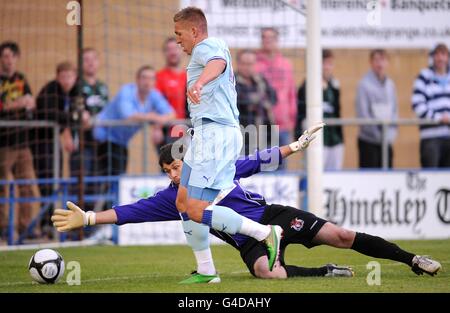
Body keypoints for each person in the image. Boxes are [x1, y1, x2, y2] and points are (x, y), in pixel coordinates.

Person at [51, 139, 442, 281]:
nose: (175, 173)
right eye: (169, 169)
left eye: (177, 166)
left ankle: (412, 259)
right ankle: (325, 272)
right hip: (246, 239)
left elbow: (258, 159)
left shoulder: (218, 171)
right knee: (267, 274)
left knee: (340, 236)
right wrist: (87, 217)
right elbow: (128, 212)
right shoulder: (173, 198)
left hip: (274, 217)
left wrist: (295, 147)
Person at [172, 6, 283, 283]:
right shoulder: (212, 45)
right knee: (183, 201)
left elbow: (217, 63)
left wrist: (198, 83)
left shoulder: (205, 48)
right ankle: (206, 271)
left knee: (197, 209)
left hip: (216, 134)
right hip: (206, 133)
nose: (177, 40)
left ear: (194, 31)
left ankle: (264, 233)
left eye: (179, 33)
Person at [93, 65, 175, 176]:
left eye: (151, 78)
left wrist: (158, 126)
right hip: (100, 136)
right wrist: (153, 117)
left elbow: (171, 114)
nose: (147, 82)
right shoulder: (126, 91)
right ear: (137, 80)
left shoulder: (153, 95)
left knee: (118, 177)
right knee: (100, 179)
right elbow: (128, 115)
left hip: (120, 141)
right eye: (144, 77)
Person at [0, 41, 38, 240]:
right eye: (5, 56)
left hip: (23, 142)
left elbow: (31, 101)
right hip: (4, 143)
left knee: (27, 185)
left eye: (12, 56)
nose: (9, 60)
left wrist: (27, 103)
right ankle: (4, 227)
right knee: (4, 186)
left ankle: (27, 227)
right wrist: (17, 104)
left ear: (17, 58)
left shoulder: (21, 79)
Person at [255, 27, 296, 169]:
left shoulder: (286, 64)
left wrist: (292, 119)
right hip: (264, 125)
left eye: (271, 38)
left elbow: (291, 93)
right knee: (264, 166)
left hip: (284, 125)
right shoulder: (256, 65)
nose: (267, 41)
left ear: (277, 40)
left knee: (282, 166)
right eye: (264, 37)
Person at [297, 49, 344, 170]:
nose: (327, 67)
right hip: (316, 137)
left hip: (334, 137)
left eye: (330, 64)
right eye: (324, 63)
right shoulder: (307, 85)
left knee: (334, 172)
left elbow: (337, 110)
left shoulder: (334, 84)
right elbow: (301, 111)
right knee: (314, 170)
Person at [356, 49, 398, 168]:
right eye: (376, 60)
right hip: (369, 142)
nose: (380, 64)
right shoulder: (363, 84)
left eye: (383, 60)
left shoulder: (391, 85)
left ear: (387, 63)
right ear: (371, 62)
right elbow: (363, 114)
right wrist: (379, 136)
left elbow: (395, 112)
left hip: (387, 141)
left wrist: (389, 135)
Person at [411, 43, 450, 168]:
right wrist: (439, 118)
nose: (440, 58)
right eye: (437, 54)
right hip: (431, 138)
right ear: (432, 57)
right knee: (431, 177)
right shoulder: (423, 77)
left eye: (443, 54)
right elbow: (417, 106)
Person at [235, 49, 277, 155]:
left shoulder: (260, 80)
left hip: (264, 133)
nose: (247, 67)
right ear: (238, 64)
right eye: (244, 64)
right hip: (242, 135)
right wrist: (259, 101)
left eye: (250, 64)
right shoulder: (232, 81)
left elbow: (273, 97)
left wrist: (256, 101)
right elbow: (241, 102)